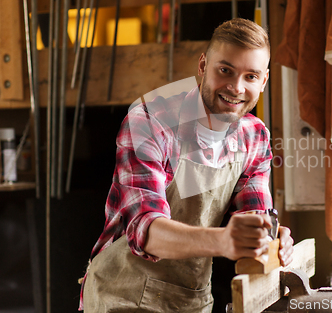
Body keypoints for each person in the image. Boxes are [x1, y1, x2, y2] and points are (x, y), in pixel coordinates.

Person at [80, 18, 294, 313]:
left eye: (251, 77)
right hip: (121, 294)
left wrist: (270, 237)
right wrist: (224, 241)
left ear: (264, 81)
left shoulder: (254, 137)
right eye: (225, 70)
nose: (236, 87)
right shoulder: (150, 121)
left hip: (189, 300)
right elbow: (147, 231)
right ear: (203, 66)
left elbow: (254, 215)